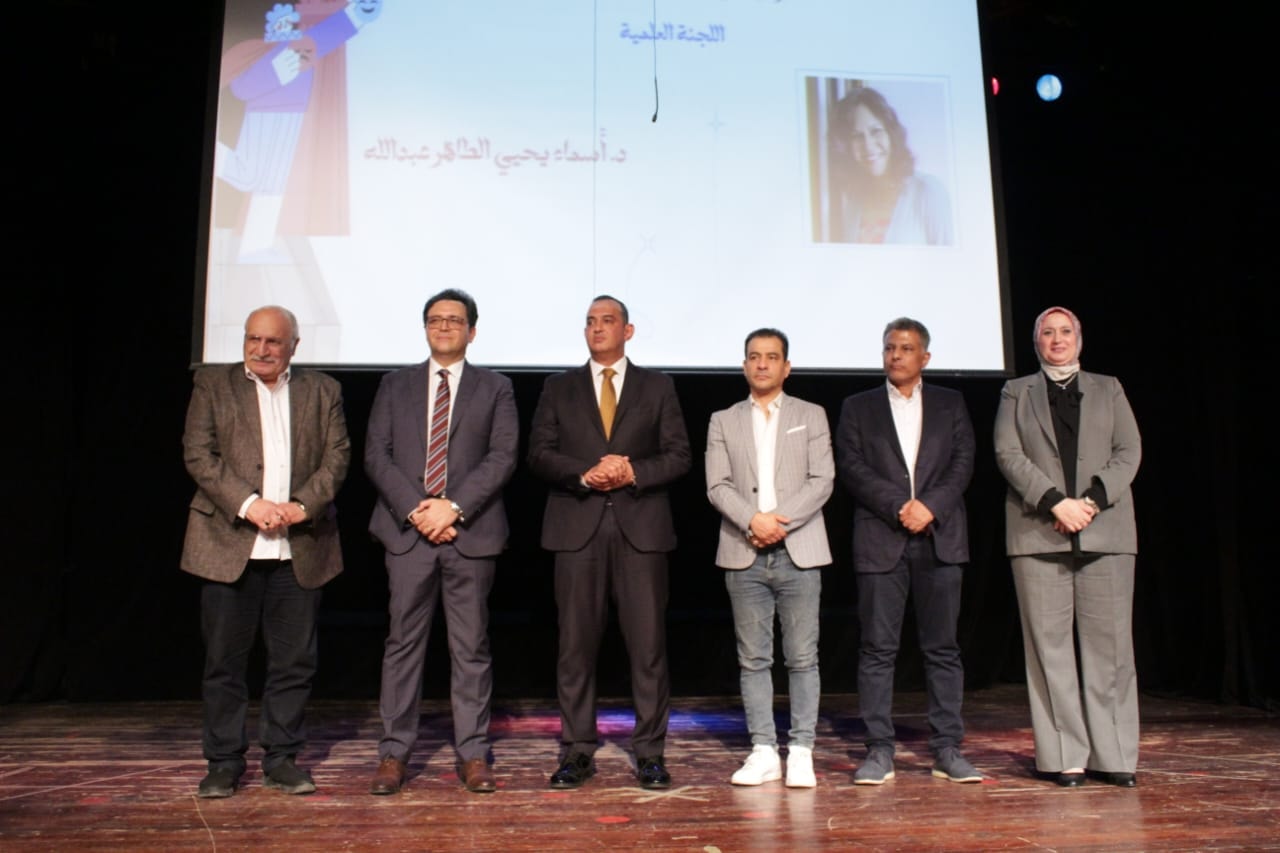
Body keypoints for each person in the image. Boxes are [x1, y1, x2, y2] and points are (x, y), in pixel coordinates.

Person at [181, 305, 351, 798]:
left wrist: (301, 507)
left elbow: (337, 458)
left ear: (293, 346)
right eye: (253, 338)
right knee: (223, 663)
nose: (261, 349)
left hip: (299, 549)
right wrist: (249, 504)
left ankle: (281, 758)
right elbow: (198, 453)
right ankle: (223, 762)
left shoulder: (323, 391)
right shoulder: (213, 385)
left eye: (273, 341)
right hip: (227, 544)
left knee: (294, 664)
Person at [528, 295, 691, 790]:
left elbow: (679, 455)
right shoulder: (558, 387)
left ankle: (650, 754)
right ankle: (577, 750)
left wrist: (631, 471)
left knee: (648, 648)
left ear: (628, 330)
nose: (597, 329)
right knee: (575, 648)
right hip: (576, 529)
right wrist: (586, 473)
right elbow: (539, 453)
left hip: (641, 531)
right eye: (590, 322)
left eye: (608, 321)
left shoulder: (657, 386)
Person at [364, 289, 518, 795]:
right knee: (402, 646)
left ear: (472, 330)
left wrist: (451, 508)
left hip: (468, 532)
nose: (444, 326)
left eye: (454, 320)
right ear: (425, 327)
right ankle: (393, 754)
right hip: (408, 534)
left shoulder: (496, 388)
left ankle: (473, 754)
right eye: (435, 319)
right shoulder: (395, 384)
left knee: (470, 648)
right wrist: (418, 510)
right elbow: (377, 456)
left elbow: (502, 456)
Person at [994, 306, 1142, 788]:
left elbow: (1129, 451)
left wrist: (1090, 502)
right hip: (1039, 531)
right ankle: (1064, 756)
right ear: (1036, 341)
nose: (1057, 340)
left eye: (1065, 332)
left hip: (1106, 531)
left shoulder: (1109, 387)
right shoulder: (1016, 391)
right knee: (1049, 650)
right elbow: (1008, 453)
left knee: (1111, 649)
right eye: (1047, 332)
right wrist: (1056, 502)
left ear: (1079, 338)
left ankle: (1113, 753)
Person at [835, 317, 981, 785]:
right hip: (881, 538)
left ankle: (947, 749)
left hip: (940, 537)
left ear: (925, 357)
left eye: (905, 348)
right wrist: (900, 506)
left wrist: (929, 507)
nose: (895, 355)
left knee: (942, 649)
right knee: (878, 650)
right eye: (889, 348)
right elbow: (852, 467)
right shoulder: (858, 407)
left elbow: (963, 462)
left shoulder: (950, 403)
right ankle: (879, 750)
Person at [706, 328, 834, 788]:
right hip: (744, 550)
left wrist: (778, 522)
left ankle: (801, 751)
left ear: (786, 366)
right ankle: (763, 751)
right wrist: (753, 521)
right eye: (754, 357)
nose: (762, 364)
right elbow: (717, 484)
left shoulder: (810, 414)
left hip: (799, 549)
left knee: (802, 657)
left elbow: (822, 480)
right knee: (753, 659)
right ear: (745, 365)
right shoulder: (723, 419)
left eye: (772, 357)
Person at [827, 86, 952, 246]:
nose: (868, 146)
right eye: (857, 136)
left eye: (875, 131)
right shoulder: (852, 204)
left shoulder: (928, 191)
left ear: (891, 134)